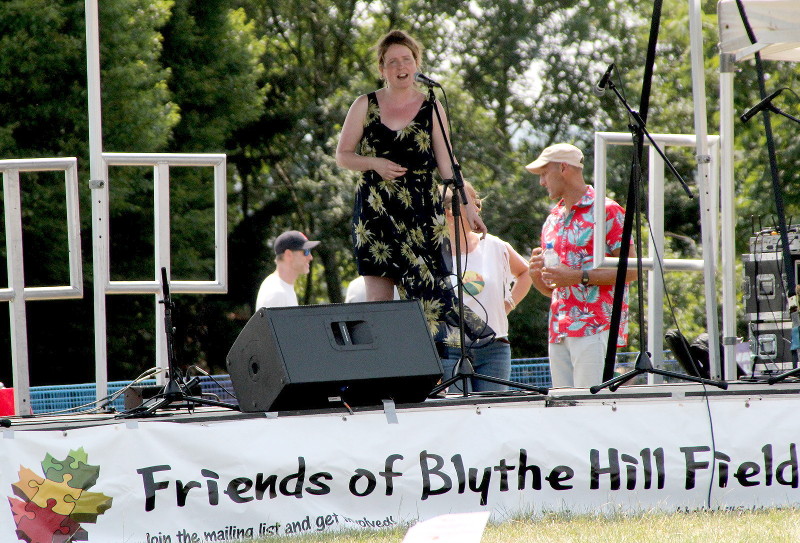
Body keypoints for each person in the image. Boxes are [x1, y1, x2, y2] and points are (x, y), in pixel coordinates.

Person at [335, 29, 493, 346]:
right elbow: (343, 156)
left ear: (417, 64)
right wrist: (375, 163)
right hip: (375, 212)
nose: (400, 66)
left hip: (420, 211)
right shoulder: (364, 105)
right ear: (382, 69)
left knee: (428, 299)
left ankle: (435, 374)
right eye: (392, 61)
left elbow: (448, 164)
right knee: (378, 303)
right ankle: (379, 374)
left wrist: (466, 207)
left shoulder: (431, 106)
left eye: (406, 59)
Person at [526, 143, 637, 388]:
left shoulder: (607, 210)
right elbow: (554, 287)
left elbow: (631, 270)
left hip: (595, 326)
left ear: (563, 167)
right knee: (564, 409)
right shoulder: (552, 219)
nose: (542, 182)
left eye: (544, 173)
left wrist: (578, 276)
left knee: (592, 407)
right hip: (559, 329)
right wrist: (537, 277)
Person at [440, 182, 533, 392]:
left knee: (494, 415)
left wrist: (507, 305)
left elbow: (526, 273)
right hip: (450, 350)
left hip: (494, 349)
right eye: (471, 204)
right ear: (447, 212)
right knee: (459, 416)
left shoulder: (495, 246)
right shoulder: (432, 255)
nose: (478, 209)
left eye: (478, 203)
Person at [255, 230, 320, 310]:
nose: (310, 257)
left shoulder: (283, 287)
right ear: (289, 254)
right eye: (306, 251)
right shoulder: (277, 293)